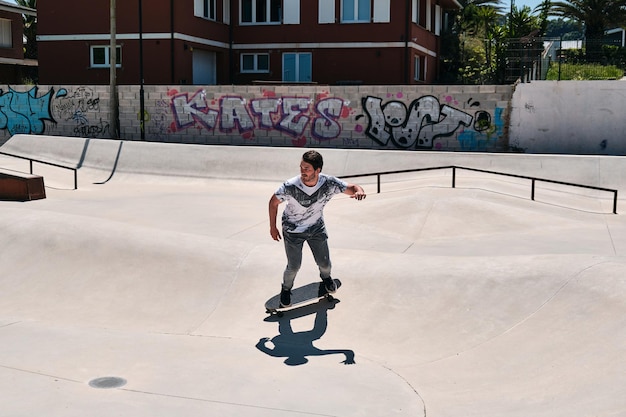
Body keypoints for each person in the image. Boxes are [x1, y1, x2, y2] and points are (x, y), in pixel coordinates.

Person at [269, 150, 366, 307]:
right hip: (293, 231)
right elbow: (273, 203)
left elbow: (353, 187)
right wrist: (273, 227)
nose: (303, 172)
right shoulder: (290, 186)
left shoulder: (328, 183)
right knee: (294, 266)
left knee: (325, 264)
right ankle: (286, 290)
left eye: (307, 169)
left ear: (317, 170)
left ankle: (326, 278)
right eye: (301, 167)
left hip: (316, 229)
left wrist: (359, 191)